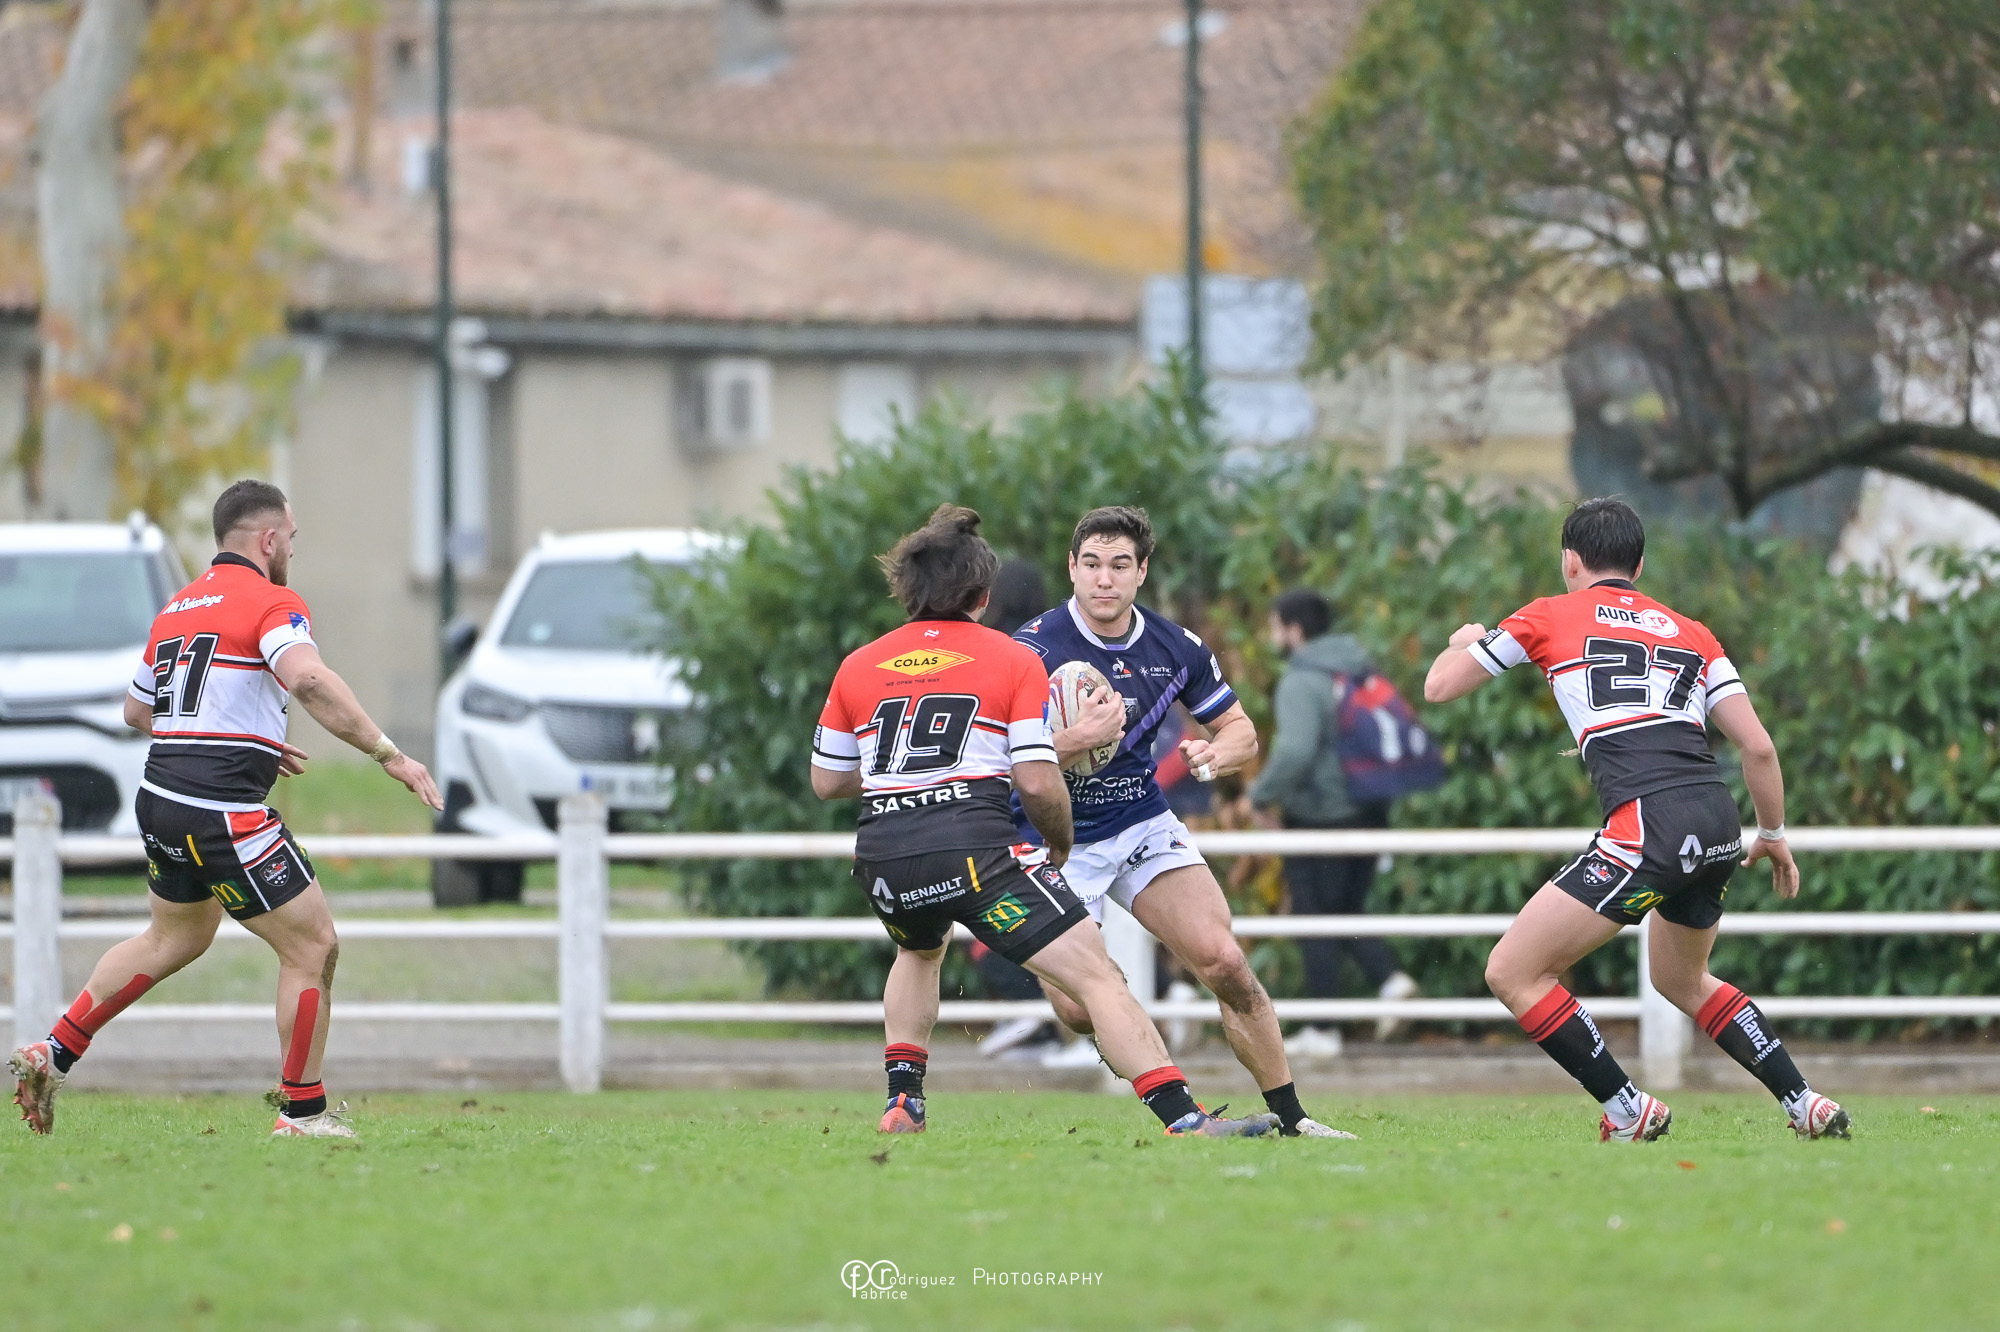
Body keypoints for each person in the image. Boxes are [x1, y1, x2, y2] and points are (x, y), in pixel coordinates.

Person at [810, 504, 1277, 1138]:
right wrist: (1055, 843)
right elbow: (1034, 779)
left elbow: (828, 780)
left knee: (918, 951)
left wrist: (910, 779)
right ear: (982, 595)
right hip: (977, 852)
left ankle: (903, 1102)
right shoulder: (1009, 657)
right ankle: (1184, 1119)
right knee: (1097, 977)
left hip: (883, 855)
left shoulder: (860, 663)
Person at [10, 480, 444, 1139]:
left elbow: (136, 710)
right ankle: (302, 1114)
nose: (292, 550)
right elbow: (307, 679)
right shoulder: (273, 602)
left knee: (175, 937)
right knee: (313, 944)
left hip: (161, 801)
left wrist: (243, 738)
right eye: (291, 538)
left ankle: (54, 1052)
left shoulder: (178, 607)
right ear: (268, 540)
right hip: (219, 808)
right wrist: (391, 756)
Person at [1422, 497, 1849, 1142]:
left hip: (1649, 821)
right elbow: (1758, 748)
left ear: (1570, 561)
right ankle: (1805, 1102)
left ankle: (1629, 1110)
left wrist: (1465, 643)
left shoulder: (1546, 616)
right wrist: (1772, 834)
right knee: (1681, 979)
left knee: (1512, 971)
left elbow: (1439, 687)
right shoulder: (1692, 632)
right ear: (1639, 566)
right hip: (1716, 819)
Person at [1012, 505, 1354, 1139]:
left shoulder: (1177, 647)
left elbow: (1241, 730)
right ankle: (1163, 1082)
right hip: (1055, 838)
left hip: (1139, 820)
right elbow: (993, 757)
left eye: (1120, 565)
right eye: (1092, 564)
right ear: (1072, 568)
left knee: (1225, 962)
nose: (1105, 579)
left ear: (1142, 571)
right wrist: (1075, 740)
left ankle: (1293, 1121)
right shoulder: (1027, 650)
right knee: (1079, 1005)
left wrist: (1216, 754)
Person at [1247, 589, 1419, 1059]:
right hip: (1371, 806)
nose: (1272, 635)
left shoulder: (1302, 680)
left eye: (1275, 626)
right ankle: (1390, 980)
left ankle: (1323, 1028)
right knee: (1344, 910)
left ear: (1294, 629)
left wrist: (1260, 796)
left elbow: (1295, 750)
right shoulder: (1358, 667)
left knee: (1315, 918)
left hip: (1320, 815)